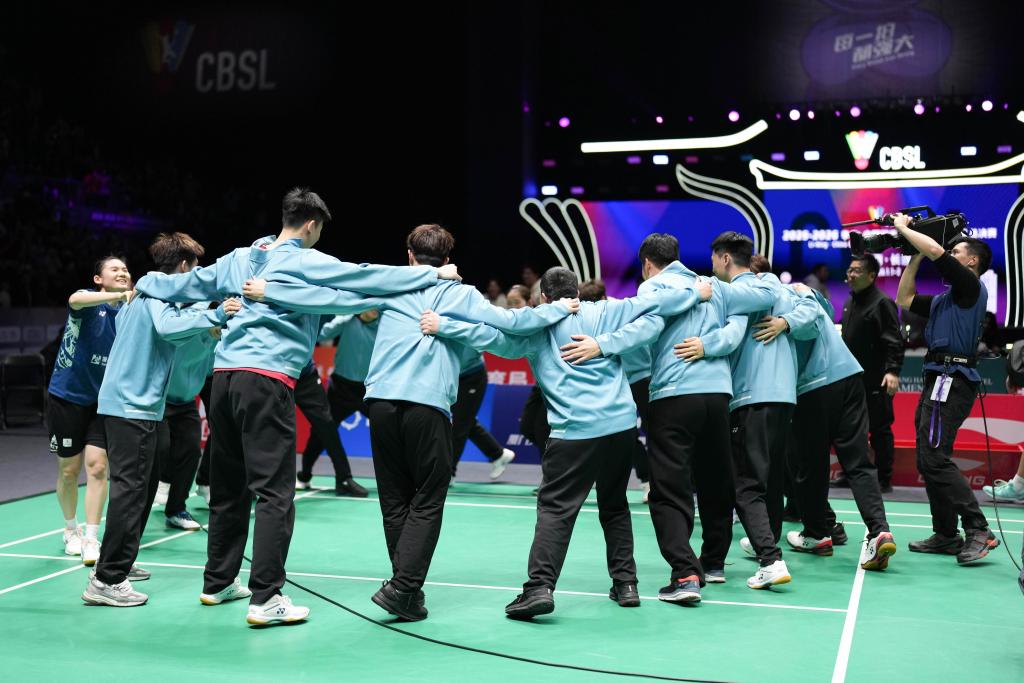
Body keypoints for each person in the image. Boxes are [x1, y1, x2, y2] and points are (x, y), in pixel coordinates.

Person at [134, 188, 460, 625]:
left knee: (228, 488)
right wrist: (432, 275)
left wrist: (145, 283)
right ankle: (266, 597)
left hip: (224, 378)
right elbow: (364, 276)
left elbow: (187, 283)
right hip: (266, 379)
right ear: (311, 225)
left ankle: (218, 582)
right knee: (275, 492)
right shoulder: (306, 259)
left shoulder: (239, 257)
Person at [245, 223, 579, 622]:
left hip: (381, 403)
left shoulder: (391, 287)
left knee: (394, 498)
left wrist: (270, 291)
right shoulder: (460, 294)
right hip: (427, 405)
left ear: (409, 256)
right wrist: (561, 307)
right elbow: (512, 323)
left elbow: (330, 296)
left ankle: (405, 589)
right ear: (448, 260)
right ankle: (404, 587)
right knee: (428, 496)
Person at [423, 265, 711, 617]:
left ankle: (539, 588)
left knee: (556, 510)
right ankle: (626, 584)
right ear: (576, 292)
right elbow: (651, 306)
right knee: (615, 505)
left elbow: (491, 337)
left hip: (573, 431)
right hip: (620, 427)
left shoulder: (537, 327)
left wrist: (443, 326)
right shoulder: (605, 311)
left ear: (544, 297)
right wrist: (695, 293)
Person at [83, 251, 241, 607]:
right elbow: (170, 328)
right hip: (131, 405)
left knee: (143, 487)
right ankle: (107, 579)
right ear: (184, 268)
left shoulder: (145, 298)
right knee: (130, 492)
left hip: (138, 405)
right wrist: (216, 313)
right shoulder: (157, 293)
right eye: (196, 270)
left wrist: (208, 325)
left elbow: (172, 335)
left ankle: (118, 563)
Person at [761, 278, 898, 570]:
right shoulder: (804, 291)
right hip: (849, 376)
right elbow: (825, 309)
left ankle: (817, 534)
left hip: (814, 386)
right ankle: (879, 530)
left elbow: (809, 318)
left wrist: (784, 322)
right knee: (858, 462)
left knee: (808, 467)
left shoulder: (775, 302)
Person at [710, 233, 819, 589]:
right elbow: (815, 315)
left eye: (713, 260)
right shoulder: (780, 290)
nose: (711, 269)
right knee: (769, 483)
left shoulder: (746, 291)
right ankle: (768, 551)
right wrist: (788, 319)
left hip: (752, 395)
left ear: (725, 258)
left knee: (746, 485)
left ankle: (770, 560)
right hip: (783, 395)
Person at [894, 214, 999, 564]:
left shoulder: (970, 286)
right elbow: (904, 298)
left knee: (935, 459)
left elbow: (938, 250)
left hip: (953, 380)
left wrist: (905, 228)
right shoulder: (945, 299)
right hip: (936, 378)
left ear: (972, 261)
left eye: (958, 252)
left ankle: (978, 529)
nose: (951, 255)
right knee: (928, 459)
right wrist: (914, 256)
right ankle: (945, 534)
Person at [47, 255, 131, 566]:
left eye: (125, 270)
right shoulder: (87, 300)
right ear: (98, 279)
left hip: (102, 400)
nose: (122, 273)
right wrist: (118, 296)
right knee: (69, 471)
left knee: (97, 467)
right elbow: (74, 299)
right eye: (114, 269)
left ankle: (92, 537)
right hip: (68, 395)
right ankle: (71, 529)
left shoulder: (128, 312)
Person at [577, 278, 651, 502]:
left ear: (603, 298)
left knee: (655, 433)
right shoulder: (588, 315)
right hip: (618, 382)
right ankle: (647, 482)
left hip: (644, 377)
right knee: (626, 434)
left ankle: (664, 484)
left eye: (594, 303)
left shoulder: (624, 310)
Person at [838, 254, 903, 493]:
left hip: (876, 378)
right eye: (850, 270)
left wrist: (892, 370)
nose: (851, 274)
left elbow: (894, 340)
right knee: (850, 430)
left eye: (856, 271)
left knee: (879, 429)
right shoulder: (850, 300)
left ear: (871, 276)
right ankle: (852, 474)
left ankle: (884, 479)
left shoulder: (882, 302)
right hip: (851, 378)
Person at [297, 311, 380, 496]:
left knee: (388, 429)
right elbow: (321, 335)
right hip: (341, 388)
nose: (373, 309)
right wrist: (343, 317)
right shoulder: (347, 320)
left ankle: (401, 477)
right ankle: (304, 475)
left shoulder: (384, 324)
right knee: (321, 432)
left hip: (370, 389)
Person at [450, 343, 516, 482]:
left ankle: (448, 472)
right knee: (464, 420)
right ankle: (498, 454)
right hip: (452, 375)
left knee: (460, 424)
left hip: (471, 376)